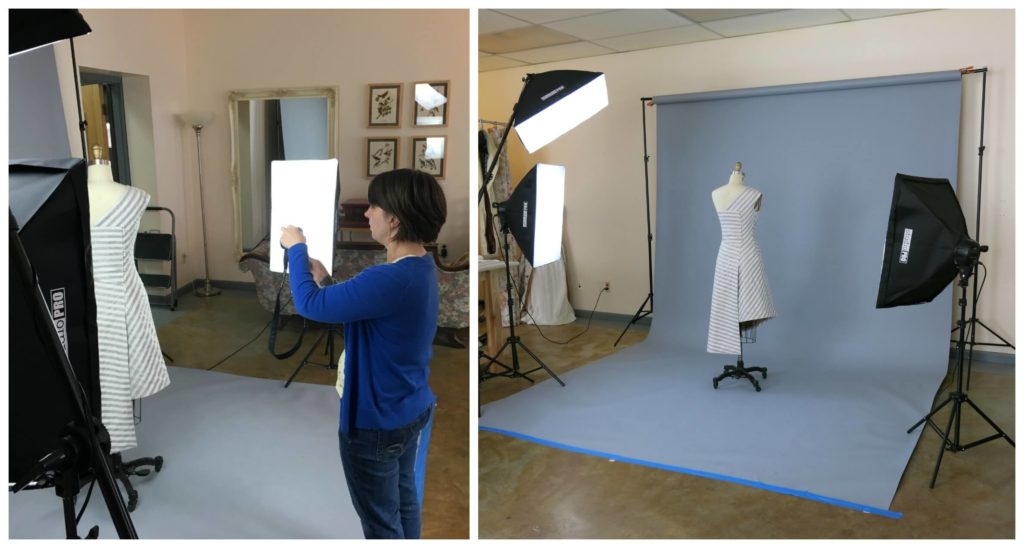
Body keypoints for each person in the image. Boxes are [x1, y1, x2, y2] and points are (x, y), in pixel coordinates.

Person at [279, 169, 446, 539]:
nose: (367, 213)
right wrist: (325, 279)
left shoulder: (389, 278)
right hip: (408, 409)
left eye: (374, 206)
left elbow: (309, 305)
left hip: (377, 425)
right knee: (403, 503)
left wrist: (296, 247)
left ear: (394, 219)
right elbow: (367, 313)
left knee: (381, 524)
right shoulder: (418, 268)